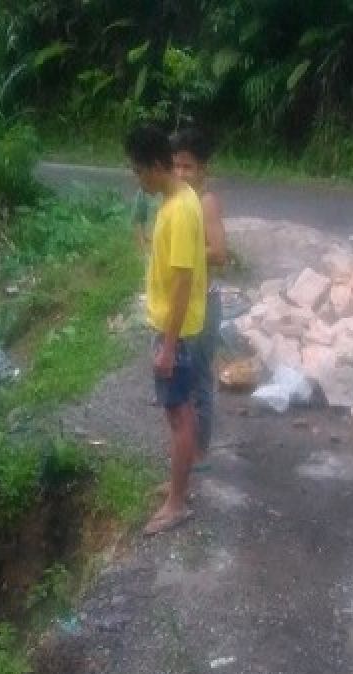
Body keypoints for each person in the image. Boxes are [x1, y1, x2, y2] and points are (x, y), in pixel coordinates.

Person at [124, 125, 207, 536]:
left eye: (139, 172)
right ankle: (178, 485)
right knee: (181, 414)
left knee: (179, 416)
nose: (138, 180)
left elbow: (182, 282)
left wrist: (169, 346)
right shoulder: (179, 199)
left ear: (156, 166)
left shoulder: (180, 210)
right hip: (176, 328)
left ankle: (177, 503)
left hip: (178, 332)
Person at [170, 128, 227, 466]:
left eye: (187, 167)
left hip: (204, 304)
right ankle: (189, 450)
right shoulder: (179, 202)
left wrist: (182, 252)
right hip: (187, 303)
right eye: (175, 166)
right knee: (186, 381)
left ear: (203, 169)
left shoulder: (205, 203)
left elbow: (219, 253)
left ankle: (200, 452)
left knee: (199, 381)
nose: (180, 173)